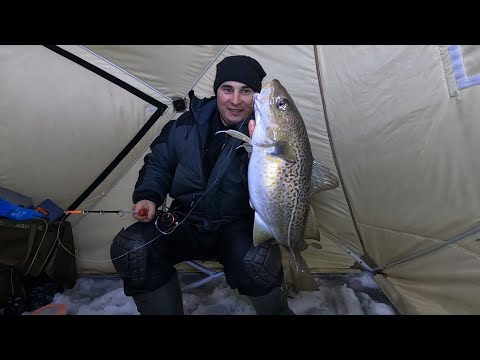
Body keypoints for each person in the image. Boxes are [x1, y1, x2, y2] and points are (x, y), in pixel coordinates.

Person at [110, 55, 294, 315]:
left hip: (237, 226)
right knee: (133, 248)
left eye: (246, 91)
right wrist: (148, 196)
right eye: (227, 89)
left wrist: (259, 153)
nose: (235, 100)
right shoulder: (183, 126)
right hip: (186, 220)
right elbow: (158, 164)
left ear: (255, 97)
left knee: (259, 262)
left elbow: (285, 183)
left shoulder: (271, 135)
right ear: (216, 90)